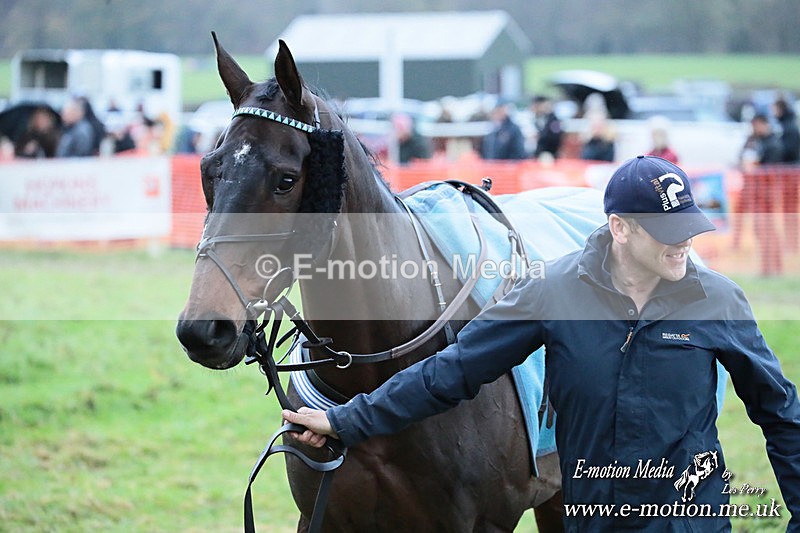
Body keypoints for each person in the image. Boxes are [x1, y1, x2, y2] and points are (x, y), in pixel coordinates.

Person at [284, 155, 800, 531]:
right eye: (668, 230)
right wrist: (347, 419)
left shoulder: (717, 300)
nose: (685, 241)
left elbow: (781, 412)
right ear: (619, 228)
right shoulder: (551, 293)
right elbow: (454, 370)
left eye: (689, 225)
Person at [531, 95, 563, 159]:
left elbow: (556, 137)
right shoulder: (538, 118)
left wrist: (540, 136)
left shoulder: (554, 120)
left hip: (549, 154)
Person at [773, 98, 800, 164]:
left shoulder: (789, 126)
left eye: (775, 110)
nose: (773, 113)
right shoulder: (784, 124)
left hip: (790, 165)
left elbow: (790, 149)